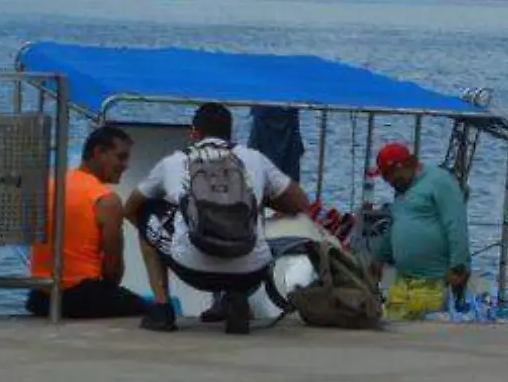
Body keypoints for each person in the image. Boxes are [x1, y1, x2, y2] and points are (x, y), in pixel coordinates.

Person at [125, 102, 311, 335]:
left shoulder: (173, 162)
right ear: (229, 133)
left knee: (146, 214)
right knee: (249, 216)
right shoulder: (254, 158)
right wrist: (262, 199)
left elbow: (131, 206)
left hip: (193, 269)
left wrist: (165, 233)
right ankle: (235, 297)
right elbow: (301, 203)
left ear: (194, 132)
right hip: (251, 272)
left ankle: (162, 309)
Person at [25, 125, 151, 319]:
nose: (125, 165)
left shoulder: (49, 185)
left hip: (39, 296)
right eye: (121, 157)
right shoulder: (105, 199)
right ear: (99, 152)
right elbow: (113, 267)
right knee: (154, 312)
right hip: (80, 296)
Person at [368, 142, 472, 320]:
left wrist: (458, 266)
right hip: (403, 283)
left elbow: (456, 223)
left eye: (389, 175)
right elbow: (395, 225)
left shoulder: (440, 182)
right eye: (384, 177)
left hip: (435, 283)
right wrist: (378, 259)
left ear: (403, 166)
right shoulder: (402, 190)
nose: (388, 182)